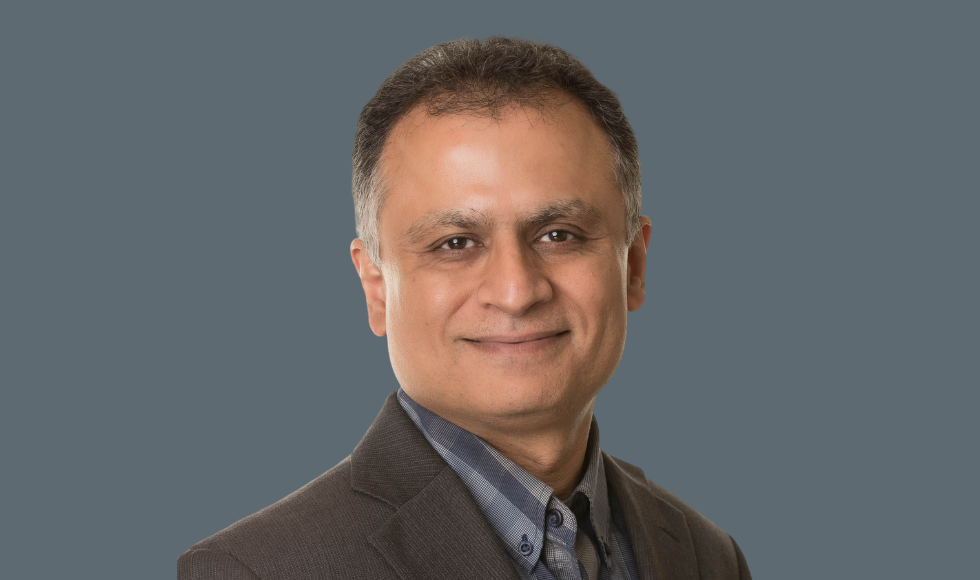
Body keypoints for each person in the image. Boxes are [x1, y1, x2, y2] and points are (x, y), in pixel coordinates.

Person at [178, 37, 752, 580]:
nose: (516, 290)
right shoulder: (254, 570)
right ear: (376, 287)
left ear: (633, 266)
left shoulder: (706, 554)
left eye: (559, 235)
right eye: (455, 243)